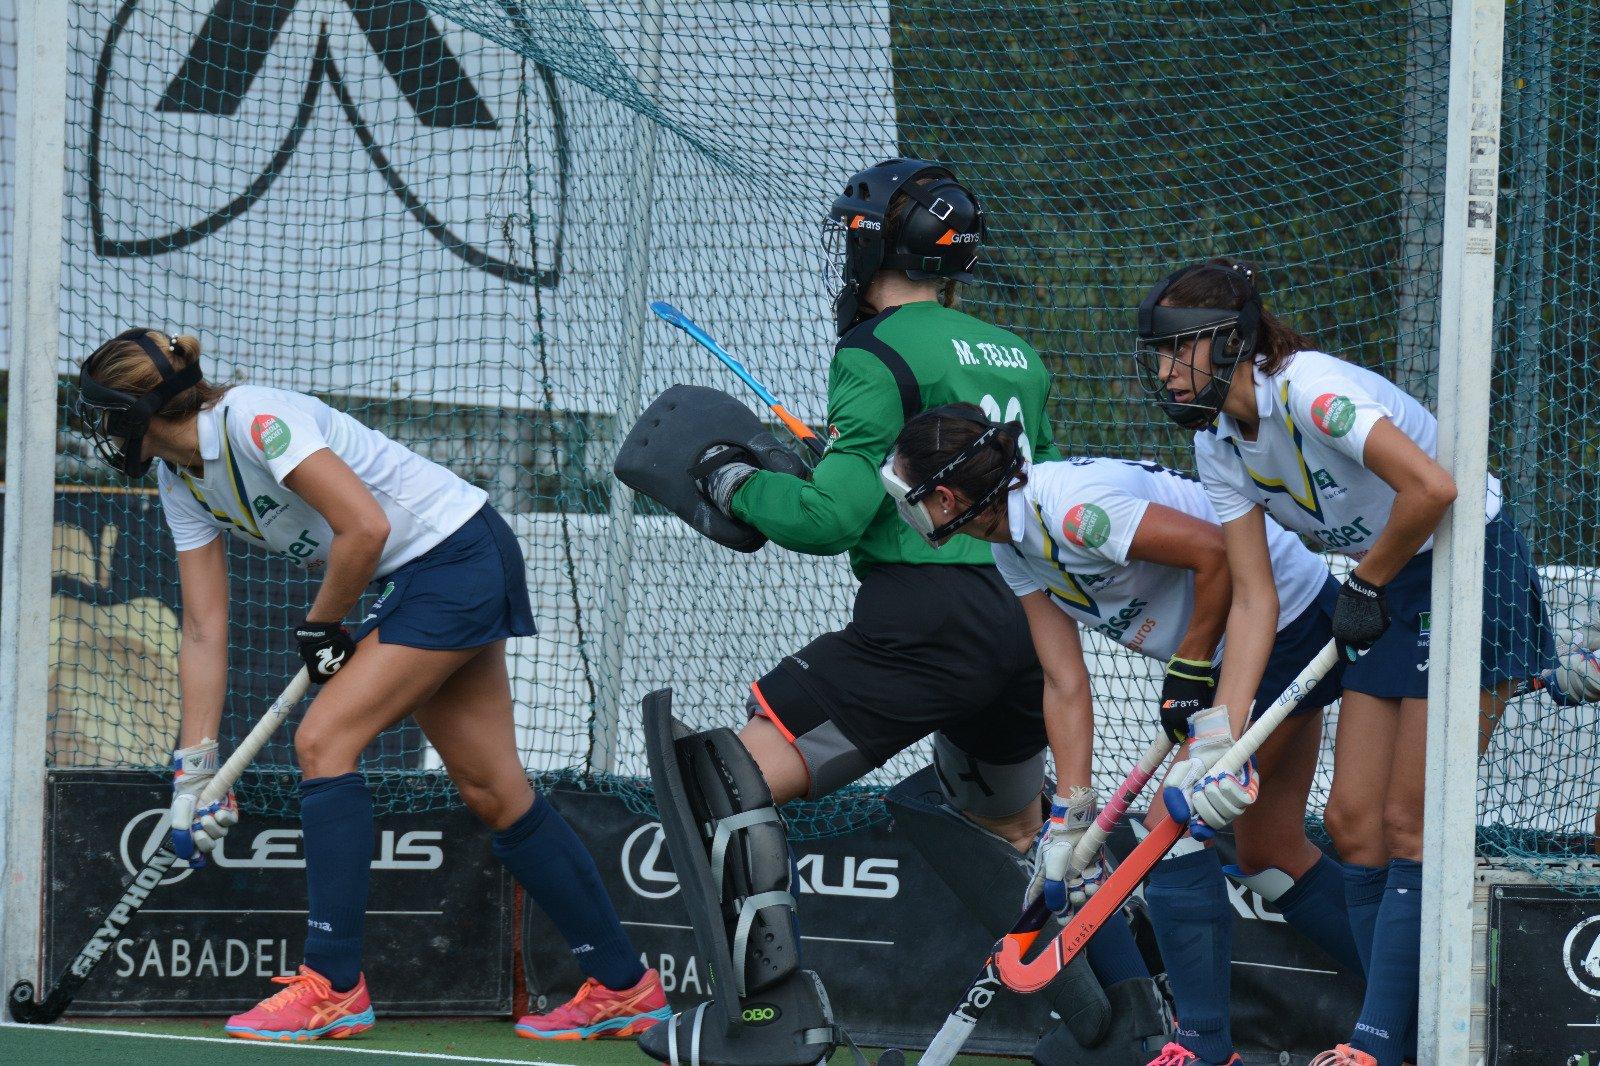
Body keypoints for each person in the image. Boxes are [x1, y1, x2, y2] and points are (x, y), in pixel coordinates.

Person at [632, 159, 1168, 1066]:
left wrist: (734, 477)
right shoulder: (1016, 356)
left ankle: (763, 1023)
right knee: (1019, 827)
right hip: (1025, 618)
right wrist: (846, 459)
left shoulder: (872, 353)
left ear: (872, 244)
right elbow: (998, 492)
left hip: (923, 621)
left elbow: (827, 518)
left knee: (722, 778)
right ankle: (1135, 1025)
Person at [72, 329, 668, 1043]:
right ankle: (625, 984)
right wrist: (195, 769)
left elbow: (365, 526)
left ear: (138, 413)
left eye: (106, 417)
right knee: (493, 790)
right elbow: (203, 627)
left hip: (455, 557)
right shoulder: (181, 481)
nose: (102, 435)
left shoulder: (255, 421)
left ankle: (333, 986)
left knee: (324, 739)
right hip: (422, 572)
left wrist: (323, 626)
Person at [1134, 260, 1557, 1066]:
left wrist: (1365, 578)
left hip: (1468, 564)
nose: (1164, 372)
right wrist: (1222, 735)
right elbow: (1254, 599)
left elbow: (1434, 488)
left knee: (1411, 822)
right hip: (1390, 578)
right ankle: (1398, 1039)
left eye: (1176, 350)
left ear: (1232, 340)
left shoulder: (1312, 393)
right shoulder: (1219, 447)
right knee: (1356, 826)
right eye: (1159, 355)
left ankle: (1373, 1046)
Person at [885, 404, 1362, 1066]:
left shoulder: (1075, 512)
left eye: (909, 497)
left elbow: (1217, 553)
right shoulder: (1011, 544)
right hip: (1241, 647)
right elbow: (1064, 680)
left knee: (1176, 831)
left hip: (1284, 622)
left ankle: (1202, 1046)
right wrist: (1069, 815)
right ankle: (1414, 1003)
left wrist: (1191, 664)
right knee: (1272, 854)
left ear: (944, 496)